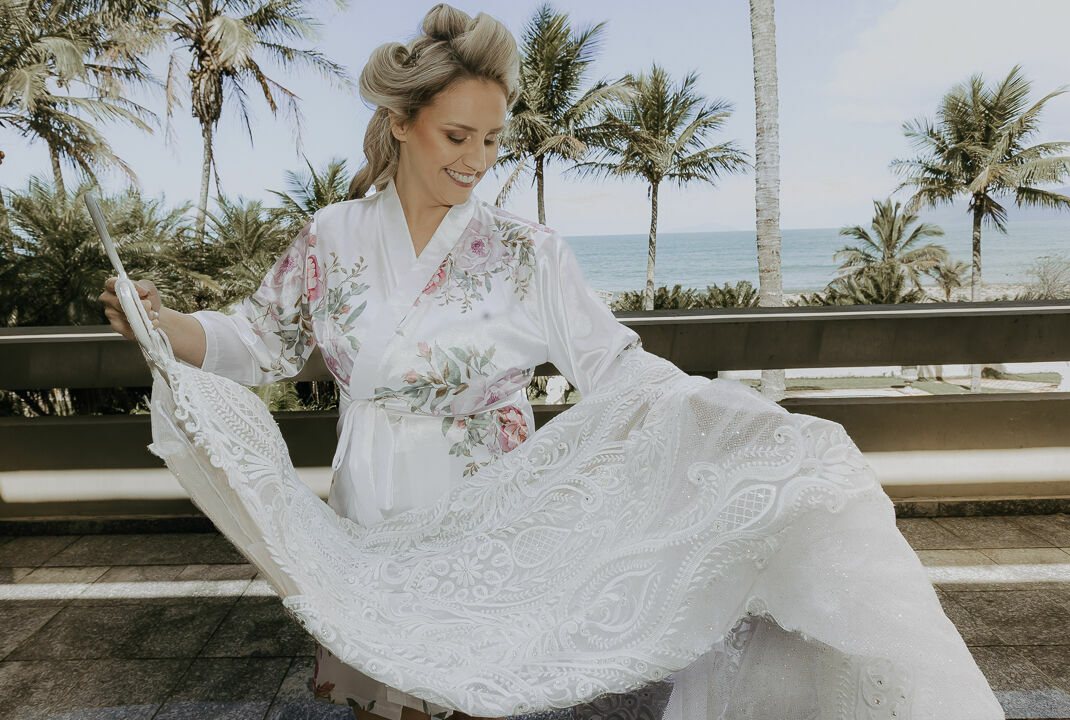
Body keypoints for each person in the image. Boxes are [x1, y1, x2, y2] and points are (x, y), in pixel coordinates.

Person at [100, 4, 1006, 720]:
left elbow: (616, 366)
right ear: (404, 123)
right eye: (459, 137)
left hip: (487, 523)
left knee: (473, 699)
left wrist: (737, 424)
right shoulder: (333, 236)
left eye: (493, 140)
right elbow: (253, 340)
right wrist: (159, 318)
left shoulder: (526, 251)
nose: (479, 161)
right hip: (367, 515)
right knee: (381, 702)